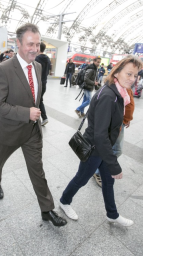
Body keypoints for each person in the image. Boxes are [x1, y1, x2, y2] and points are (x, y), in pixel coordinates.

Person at [0, 23, 67, 227]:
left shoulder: (38, 66)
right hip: (9, 130)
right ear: (18, 44)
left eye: (38, 44)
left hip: (32, 131)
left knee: (37, 170)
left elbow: (35, 95)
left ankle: (47, 209)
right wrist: (26, 113)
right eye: (30, 44)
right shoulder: (3, 69)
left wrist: (34, 114)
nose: (35, 48)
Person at [59, 55, 143, 227]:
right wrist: (113, 164)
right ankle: (64, 201)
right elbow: (100, 134)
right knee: (81, 179)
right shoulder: (109, 95)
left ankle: (112, 214)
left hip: (103, 148)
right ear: (117, 72)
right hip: (95, 149)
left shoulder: (118, 92)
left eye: (135, 75)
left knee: (108, 181)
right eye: (129, 74)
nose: (132, 79)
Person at [93, 87, 135, 187]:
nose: (132, 78)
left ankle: (100, 169)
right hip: (116, 123)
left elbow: (127, 104)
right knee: (115, 150)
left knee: (114, 150)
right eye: (129, 74)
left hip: (122, 121)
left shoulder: (125, 86)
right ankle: (98, 171)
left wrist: (127, 118)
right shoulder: (114, 88)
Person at [35, 42, 51, 126]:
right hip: (44, 83)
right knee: (39, 100)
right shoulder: (47, 59)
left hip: (37, 83)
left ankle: (43, 118)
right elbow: (49, 70)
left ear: (38, 48)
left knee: (37, 100)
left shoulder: (36, 59)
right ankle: (43, 118)